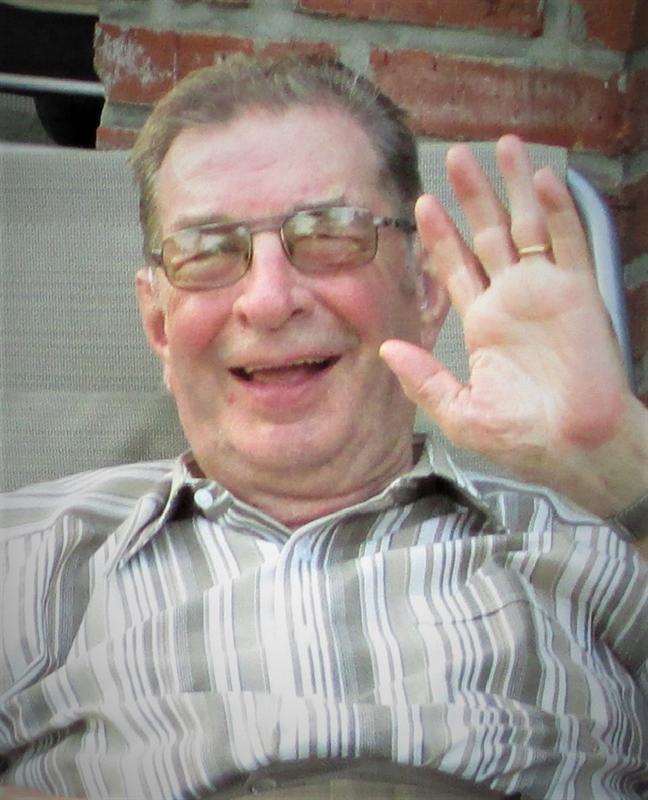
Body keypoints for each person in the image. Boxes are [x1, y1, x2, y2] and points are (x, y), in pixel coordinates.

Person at [0, 56, 646, 800]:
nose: (269, 300)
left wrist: (631, 478)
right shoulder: (33, 552)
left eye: (331, 233)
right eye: (208, 250)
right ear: (159, 326)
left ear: (424, 290)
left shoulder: (591, 546)